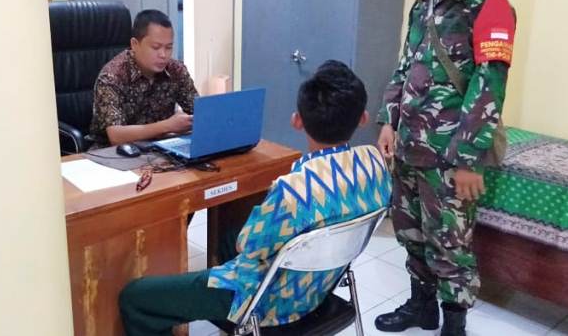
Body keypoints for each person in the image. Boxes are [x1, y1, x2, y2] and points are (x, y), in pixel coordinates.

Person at [118, 60, 393, 336]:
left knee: (135, 297)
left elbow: (247, 245)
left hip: (268, 303)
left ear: (297, 120)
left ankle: (231, 315)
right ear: (363, 118)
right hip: (319, 287)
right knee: (228, 235)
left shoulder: (293, 191)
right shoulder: (375, 166)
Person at [374, 0, 516, 335]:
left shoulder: (491, 7)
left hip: (451, 156)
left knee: (450, 244)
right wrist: (387, 120)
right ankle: (421, 308)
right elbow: (404, 68)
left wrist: (469, 160)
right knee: (411, 232)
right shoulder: (423, 7)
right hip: (409, 148)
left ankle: (454, 324)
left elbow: (488, 88)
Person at [89, 9, 198, 148]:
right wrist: (167, 126)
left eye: (168, 47)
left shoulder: (176, 70)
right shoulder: (112, 76)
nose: (163, 55)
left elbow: (200, 112)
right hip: (113, 153)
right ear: (134, 44)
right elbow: (115, 136)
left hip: (161, 148)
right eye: (156, 47)